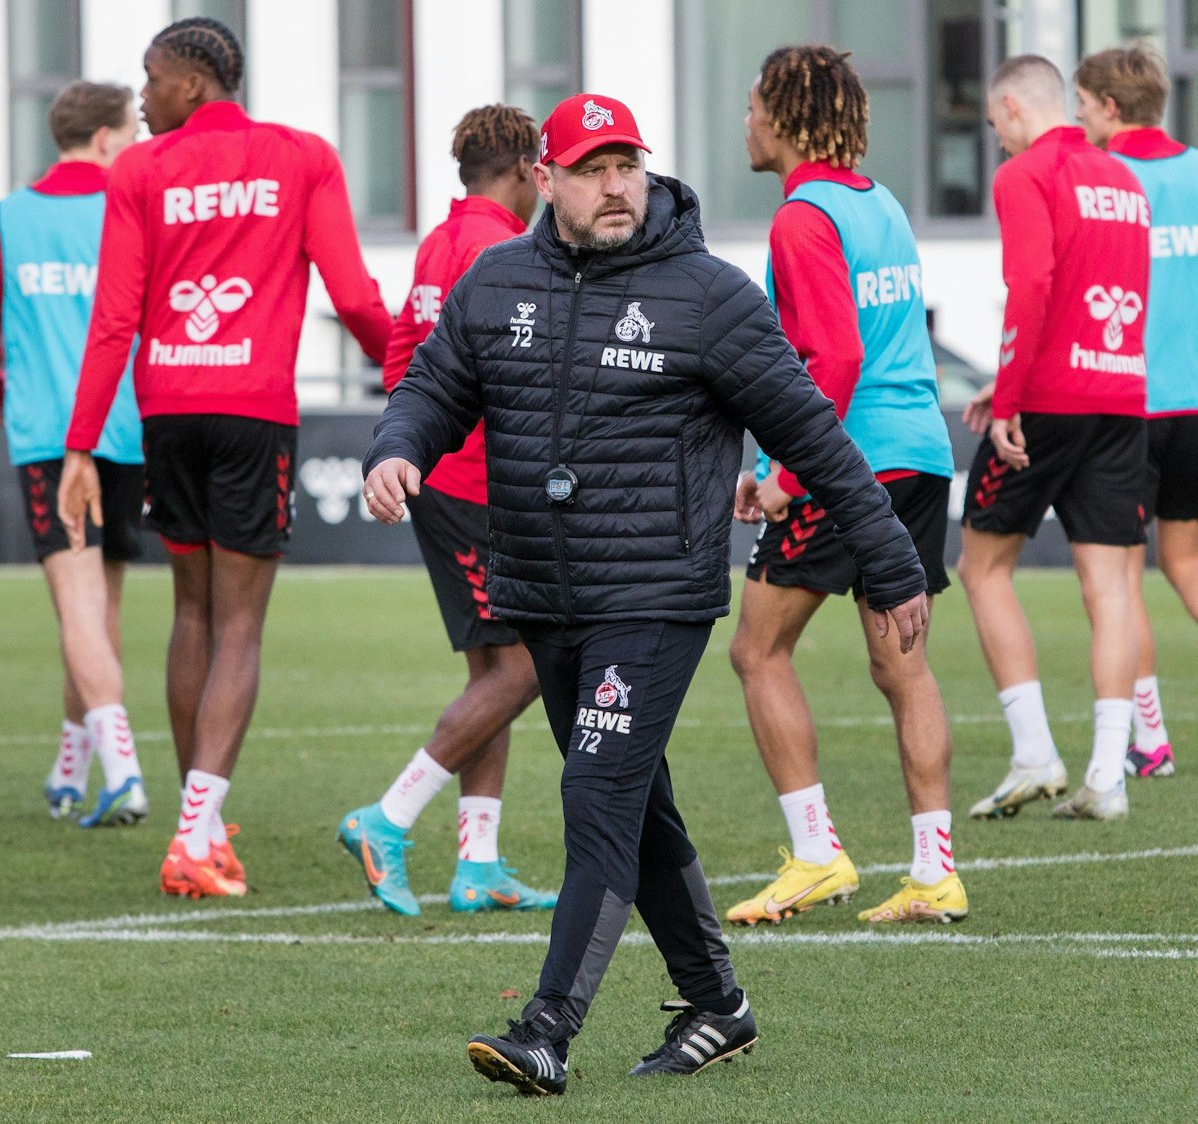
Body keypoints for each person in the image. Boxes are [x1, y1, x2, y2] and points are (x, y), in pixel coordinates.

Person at [365, 93, 930, 1095]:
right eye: (591, 167)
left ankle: (547, 1027)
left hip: (655, 594)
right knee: (639, 802)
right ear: (547, 180)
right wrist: (396, 451)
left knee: (595, 790)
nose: (614, 183)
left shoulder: (705, 294)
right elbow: (430, 389)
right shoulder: (497, 279)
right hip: (542, 591)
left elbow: (810, 430)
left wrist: (888, 561)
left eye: (627, 163)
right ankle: (718, 1002)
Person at [58, 16, 392, 899]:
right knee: (239, 626)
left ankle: (196, 830)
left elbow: (113, 320)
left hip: (166, 411)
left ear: (194, 83)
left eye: (150, 77)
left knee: (192, 615)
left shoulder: (137, 170)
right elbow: (352, 292)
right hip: (252, 413)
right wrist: (413, 367)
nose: (141, 94)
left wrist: (81, 444)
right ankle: (196, 837)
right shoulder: (303, 156)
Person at [725, 46, 966, 926]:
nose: (743, 121)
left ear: (784, 119)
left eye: (752, 106)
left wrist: (785, 472)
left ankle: (817, 854)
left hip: (847, 461)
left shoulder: (800, 219)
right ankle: (934, 871)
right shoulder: (881, 204)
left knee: (755, 651)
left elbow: (832, 357)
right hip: (918, 455)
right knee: (902, 665)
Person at [337, 104, 553, 917]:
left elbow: (402, 353)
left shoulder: (439, 241)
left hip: (446, 481)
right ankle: (385, 819)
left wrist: (406, 446)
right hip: (478, 491)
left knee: (493, 674)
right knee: (531, 666)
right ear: (530, 167)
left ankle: (478, 864)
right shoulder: (501, 247)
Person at [959, 55, 1152, 823]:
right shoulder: (1123, 180)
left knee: (981, 567)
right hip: (1119, 393)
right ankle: (1108, 776)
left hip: (1047, 401)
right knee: (1110, 589)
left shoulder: (1025, 175)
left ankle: (1035, 753)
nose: (994, 142)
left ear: (1009, 106)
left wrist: (1008, 395)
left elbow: (1032, 284)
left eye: (990, 126)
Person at [0, 80, 148, 828]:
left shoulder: (4, 219)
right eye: (131, 132)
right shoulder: (131, 208)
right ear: (104, 138)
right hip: (128, 428)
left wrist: (6, 403)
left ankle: (124, 772)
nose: (136, 144)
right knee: (101, 608)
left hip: (50, 434)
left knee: (77, 609)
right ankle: (71, 768)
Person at [1077, 44, 1197, 781]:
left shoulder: (1103, 179)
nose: (1078, 119)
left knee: (1118, 578)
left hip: (1127, 407)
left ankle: (1147, 740)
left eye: (1084, 105)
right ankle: (1144, 739)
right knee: (1185, 561)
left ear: (1111, 109)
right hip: (1195, 405)